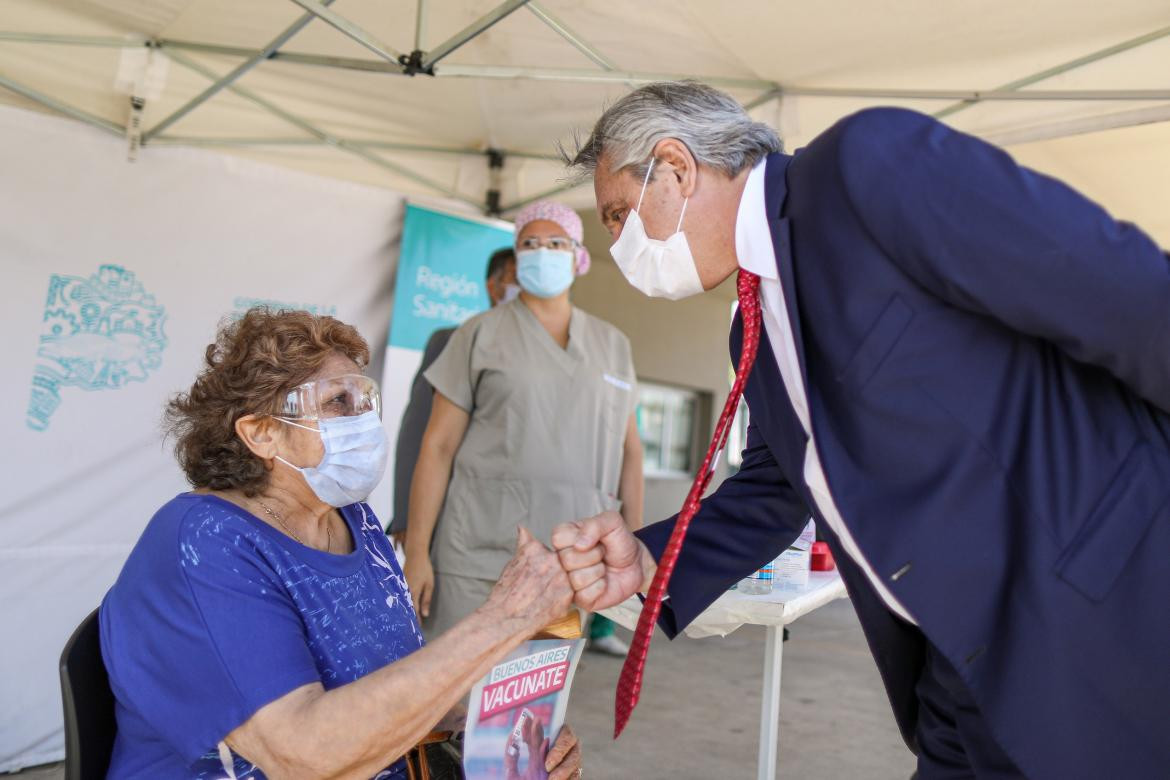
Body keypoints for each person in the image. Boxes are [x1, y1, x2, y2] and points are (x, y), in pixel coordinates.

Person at [553, 81, 1170, 779]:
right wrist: (647, 562)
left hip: (1098, 628)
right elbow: (774, 491)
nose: (617, 244)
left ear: (676, 167)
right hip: (955, 684)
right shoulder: (750, 328)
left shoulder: (867, 171)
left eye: (616, 215)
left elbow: (1124, 295)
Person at [99, 308, 582, 779]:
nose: (363, 421)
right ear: (261, 433)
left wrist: (501, 736)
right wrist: (502, 620)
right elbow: (303, 758)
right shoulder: (204, 543)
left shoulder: (354, 521)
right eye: (337, 403)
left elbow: (393, 686)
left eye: (364, 401)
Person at [405, 201, 644, 644]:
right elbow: (436, 447)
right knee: (458, 698)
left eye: (556, 243)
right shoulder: (478, 334)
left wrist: (633, 546)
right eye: (529, 244)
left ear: (578, 256)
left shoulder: (613, 346)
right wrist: (417, 551)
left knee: (540, 700)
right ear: (516, 259)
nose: (542, 252)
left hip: (574, 562)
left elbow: (630, 452)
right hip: (478, 558)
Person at [389, 247, 518, 546]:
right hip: (453, 516)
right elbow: (417, 431)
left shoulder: (548, 354)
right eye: (516, 276)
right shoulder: (452, 340)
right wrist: (407, 517)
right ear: (492, 286)